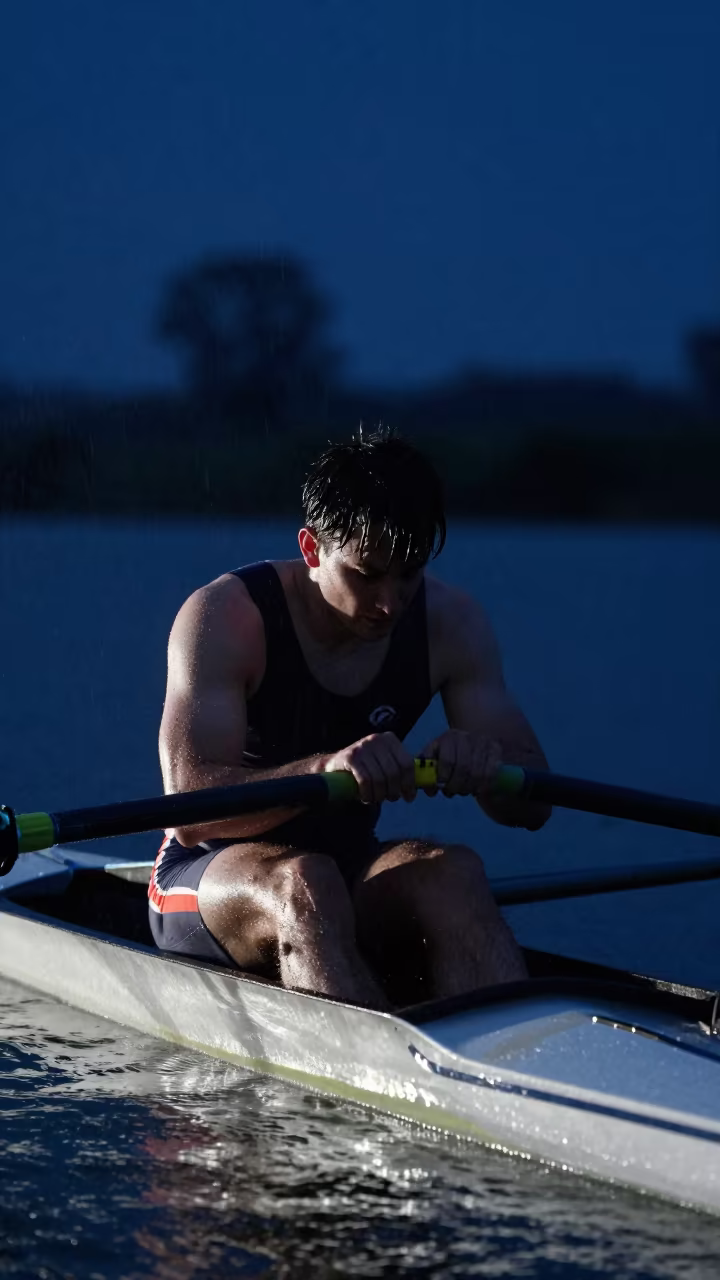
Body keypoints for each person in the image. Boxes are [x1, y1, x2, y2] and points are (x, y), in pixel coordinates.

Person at [150, 430, 550, 1008]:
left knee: (455, 874)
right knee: (305, 884)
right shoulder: (226, 617)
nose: (390, 601)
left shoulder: (452, 625)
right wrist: (324, 769)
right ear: (313, 550)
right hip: (208, 873)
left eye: (408, 574)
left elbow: (534, 804)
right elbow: (189, 810)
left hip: (348, 866)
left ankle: (519, 1071)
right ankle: (380, 1073)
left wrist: (486, 764)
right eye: (367, 574)